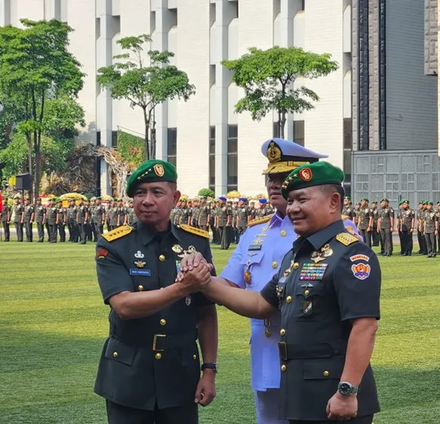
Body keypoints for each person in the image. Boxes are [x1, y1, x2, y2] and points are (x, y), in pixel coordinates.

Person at [178, 161, 380, 424]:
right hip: (298, 389)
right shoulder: (297, 256)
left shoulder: (351, 254)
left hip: (334, 394)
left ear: (333, 202)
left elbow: (364, 327)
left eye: (302, 200)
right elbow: (261, 303)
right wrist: (203, 281)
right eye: (291, 200)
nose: (293, 208)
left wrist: (347, 390)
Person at [94, 159, 218, 424]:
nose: (147, 200)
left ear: (175, 198)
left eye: (156, 192)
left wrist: (209, 369)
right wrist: (180, 288)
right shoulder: (115, 244)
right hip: (129, 374)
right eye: (140, 193)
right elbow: (124, 306)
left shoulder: (195, 242)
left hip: (180, 372)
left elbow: (206, 311)